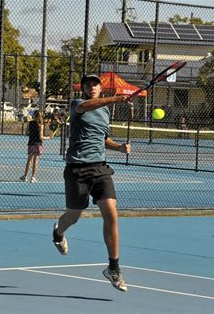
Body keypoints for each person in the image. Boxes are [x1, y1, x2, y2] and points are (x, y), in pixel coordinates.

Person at [52, 74, 131, 292]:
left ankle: (113, 268)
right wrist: (115, 99)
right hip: (77, 169)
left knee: (111, 213)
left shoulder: (104, 112)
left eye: (95, 84)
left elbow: (102, 138)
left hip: (100, 168)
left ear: (100, 87)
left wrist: (119, 147)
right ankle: (58, 233)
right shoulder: (78, 104)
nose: (91, 87)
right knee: (73, 216)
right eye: (87, 85)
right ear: (84, 89)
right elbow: (87, 106)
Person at [20, 110, 53, 183]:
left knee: (29, 160)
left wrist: (32, 134)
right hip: (38, 144)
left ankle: (25, 176)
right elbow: (41, 137)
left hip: (31, 143)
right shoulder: (41, 125)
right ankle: (33, 177)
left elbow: (26, 133)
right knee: (36, 160)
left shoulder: (30, 123)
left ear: (34, 116)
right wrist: (48, 137)